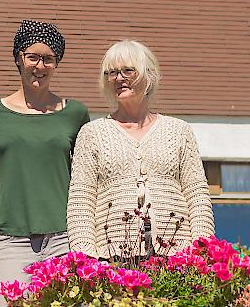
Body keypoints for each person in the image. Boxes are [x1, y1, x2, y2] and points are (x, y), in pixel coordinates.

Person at [0, 20, 90, 305]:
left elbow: (88, 176)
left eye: (48, 59)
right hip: (10, 240)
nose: (40, 66)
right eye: (32, 57)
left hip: (64, 239)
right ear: (19, 59)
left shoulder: (75, 113)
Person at [66, 40, 215, 260]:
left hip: (177, 256)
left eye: (128, 70)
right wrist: (86, 259)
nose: (118, 78)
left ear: (149, 75)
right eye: (112, 72)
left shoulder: (179, 130)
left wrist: (200, 251)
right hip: (113, 259)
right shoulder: (92, 134)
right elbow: (81, 202)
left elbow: (197, 196)